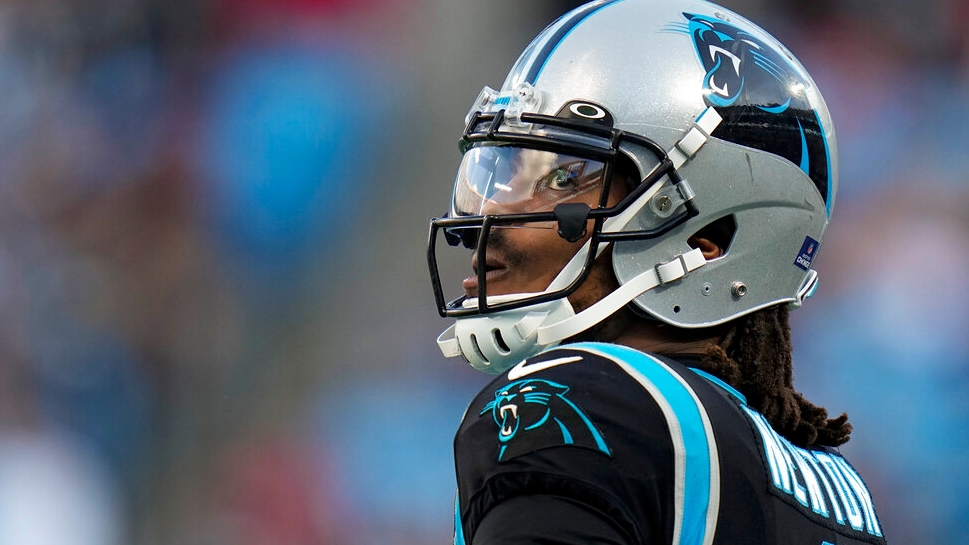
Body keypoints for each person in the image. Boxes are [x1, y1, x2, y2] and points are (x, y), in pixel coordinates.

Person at [425, 0, 888, 543]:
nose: (486, 222)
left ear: (708, 239)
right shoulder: (840, 490)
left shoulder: (581, 399)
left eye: (561, 177)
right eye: (498, 173)